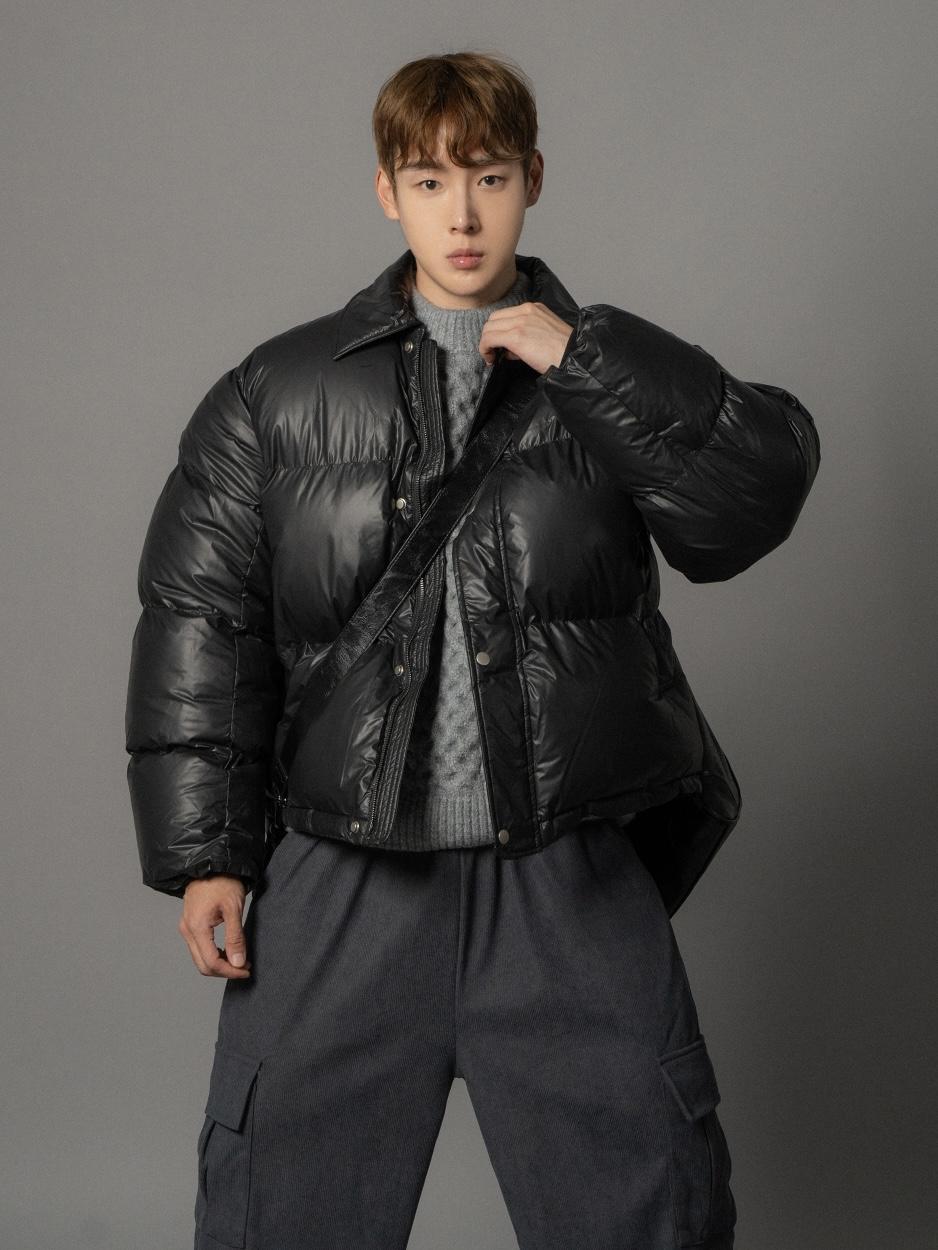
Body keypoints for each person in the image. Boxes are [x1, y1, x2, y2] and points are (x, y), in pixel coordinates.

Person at [125, 49, 819, 1250]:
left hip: (564, 876)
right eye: (429, 180)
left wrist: (584, 359)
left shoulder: (596, 379)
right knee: (281, 1214)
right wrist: (205, 855)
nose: (460, 214)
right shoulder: (275, 392)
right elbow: (202, 618)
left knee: (650, 1209)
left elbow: (751, 496)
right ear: (385, 191)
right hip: (344, 879)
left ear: (531, 180)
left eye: (488, 177)